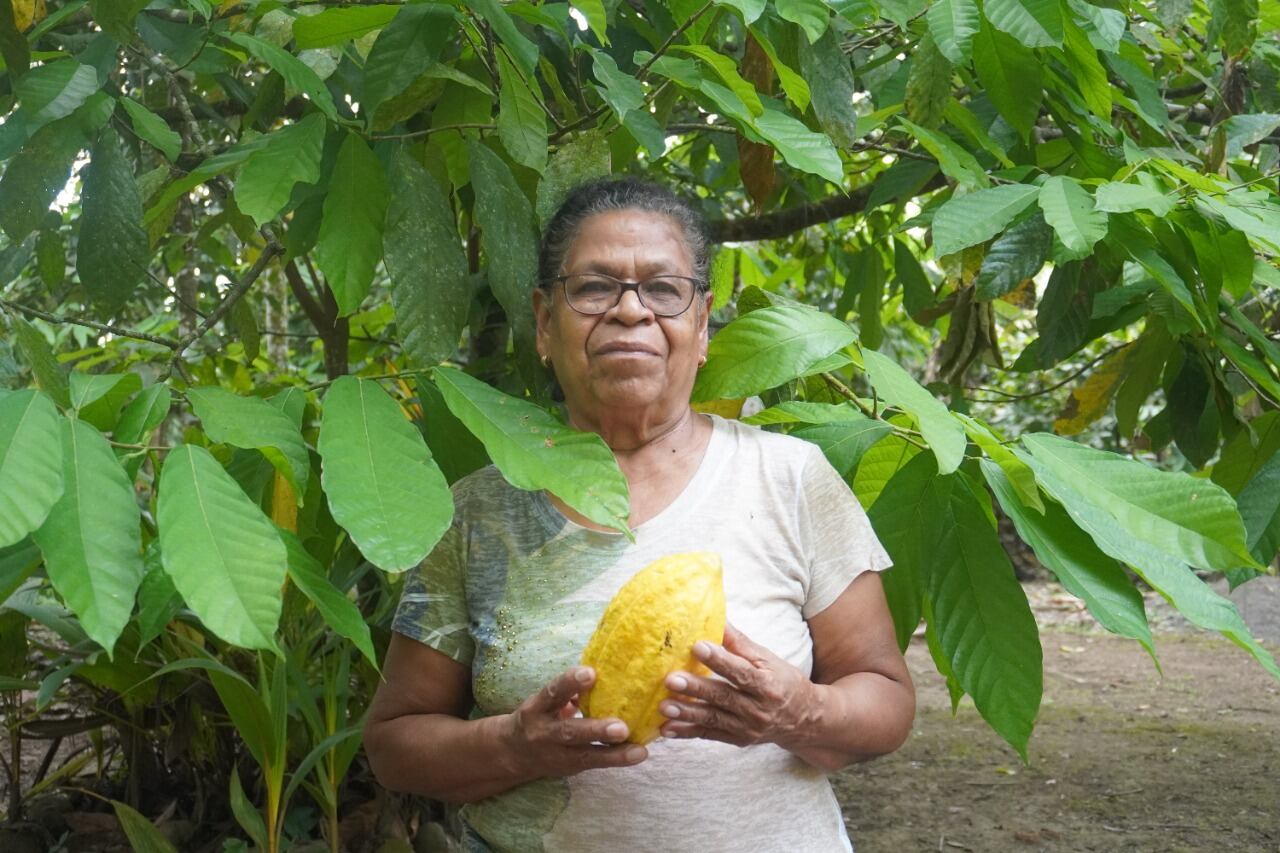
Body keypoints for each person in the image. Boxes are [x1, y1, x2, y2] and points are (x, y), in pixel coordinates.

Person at [363, 178, 915, 852]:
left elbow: (887, 701)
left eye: (662, 288)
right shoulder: (475, 512)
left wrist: (799, 711)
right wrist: (514, 745)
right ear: (545, 323)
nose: (630, 310)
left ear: (702, 325)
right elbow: (394, 745)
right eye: (595, 288)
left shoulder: (790, 477)